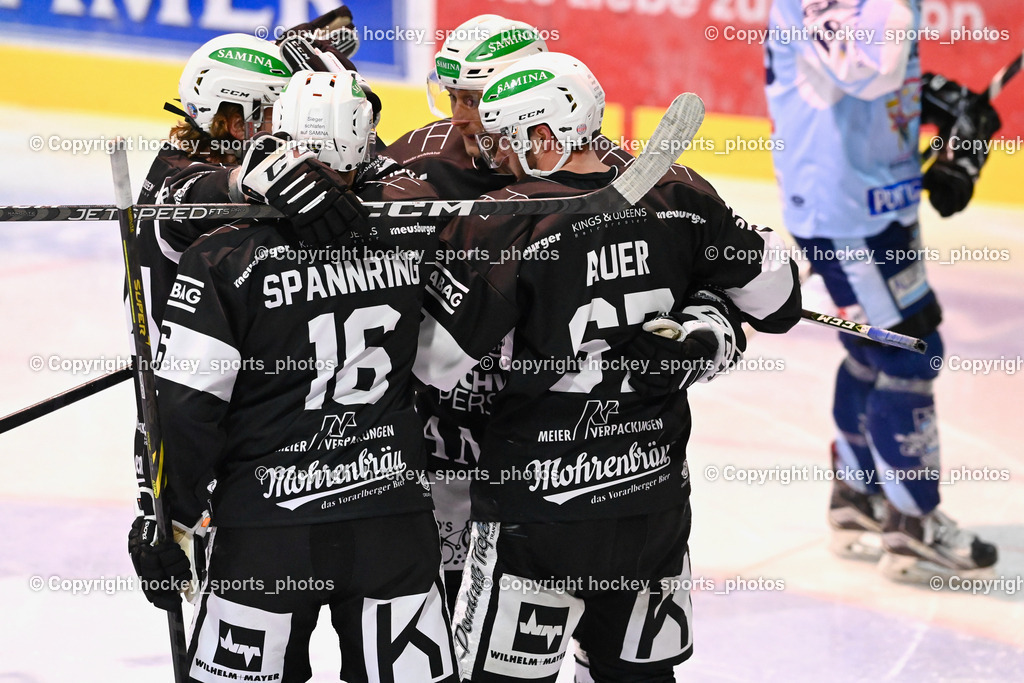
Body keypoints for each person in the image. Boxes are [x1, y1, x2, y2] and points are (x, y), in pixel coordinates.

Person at [414, 51, 801, 682]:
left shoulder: (504, 220)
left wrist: (424, 277)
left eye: (508, 141)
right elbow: (778, 302)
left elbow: (437, 364)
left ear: (543, 135)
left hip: (536, 511)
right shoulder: (680, 194)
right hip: (649, 505)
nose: (500, 160)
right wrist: (707, 319)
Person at [150, 69, 459, 682]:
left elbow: (186, 408)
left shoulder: (221, 256)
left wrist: (172, 521)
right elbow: (448, 364)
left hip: (266, 529)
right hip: (390, 522)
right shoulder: (410, 230)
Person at [385, 15, 634, 619]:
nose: (463, 116)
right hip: (442, 447)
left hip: (554, 463)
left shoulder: (602, 172)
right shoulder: (420, 160)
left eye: (475, 98)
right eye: (454, 97)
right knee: (440, 627)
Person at [127, 27, 372, 610]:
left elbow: (364, 142)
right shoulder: (177, 180)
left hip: (262, 418)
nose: (288, 127)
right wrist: (253, 175)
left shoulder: (252, 164)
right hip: (197, 424)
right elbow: (188, 200)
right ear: (235, 122)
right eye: (272, 113)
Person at [765, 0, 999, 581]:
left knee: (873, 350)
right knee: (910, 352)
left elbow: (884, 76)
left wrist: (947, 106)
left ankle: (858, 496)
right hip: (845, 212)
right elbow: (869, 66)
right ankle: (912, 521)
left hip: (878, 200)